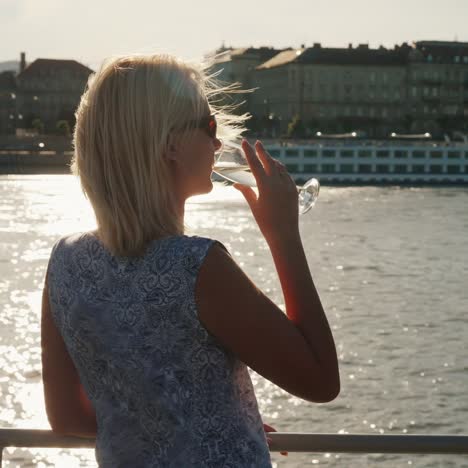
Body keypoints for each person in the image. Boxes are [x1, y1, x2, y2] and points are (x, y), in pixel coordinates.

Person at [41, 53, 340, 467]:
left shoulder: (66, 261)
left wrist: (207, 422)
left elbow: (65, 417)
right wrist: (283, 235)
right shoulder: (197, 266)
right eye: (209, 126)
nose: (218, 143)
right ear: (169, 145)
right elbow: (320, 380)